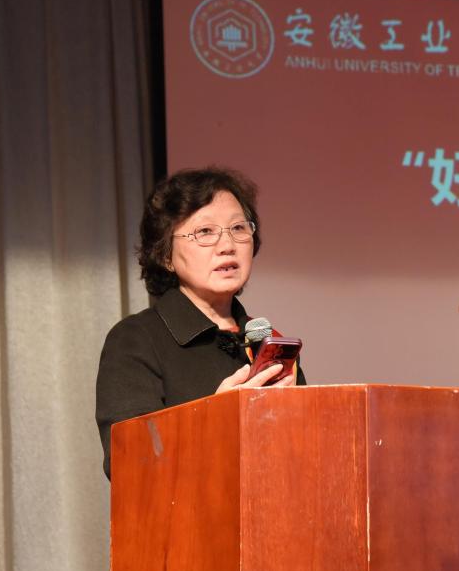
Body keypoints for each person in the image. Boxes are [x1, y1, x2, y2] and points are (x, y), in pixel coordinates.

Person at [95, 166, 304, 480]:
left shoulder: (269, 342)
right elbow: (130, 466)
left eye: (238, 228)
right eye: (205, 232)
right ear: (165, 255)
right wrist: (214, 420)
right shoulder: (136, 340)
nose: (227, 245)